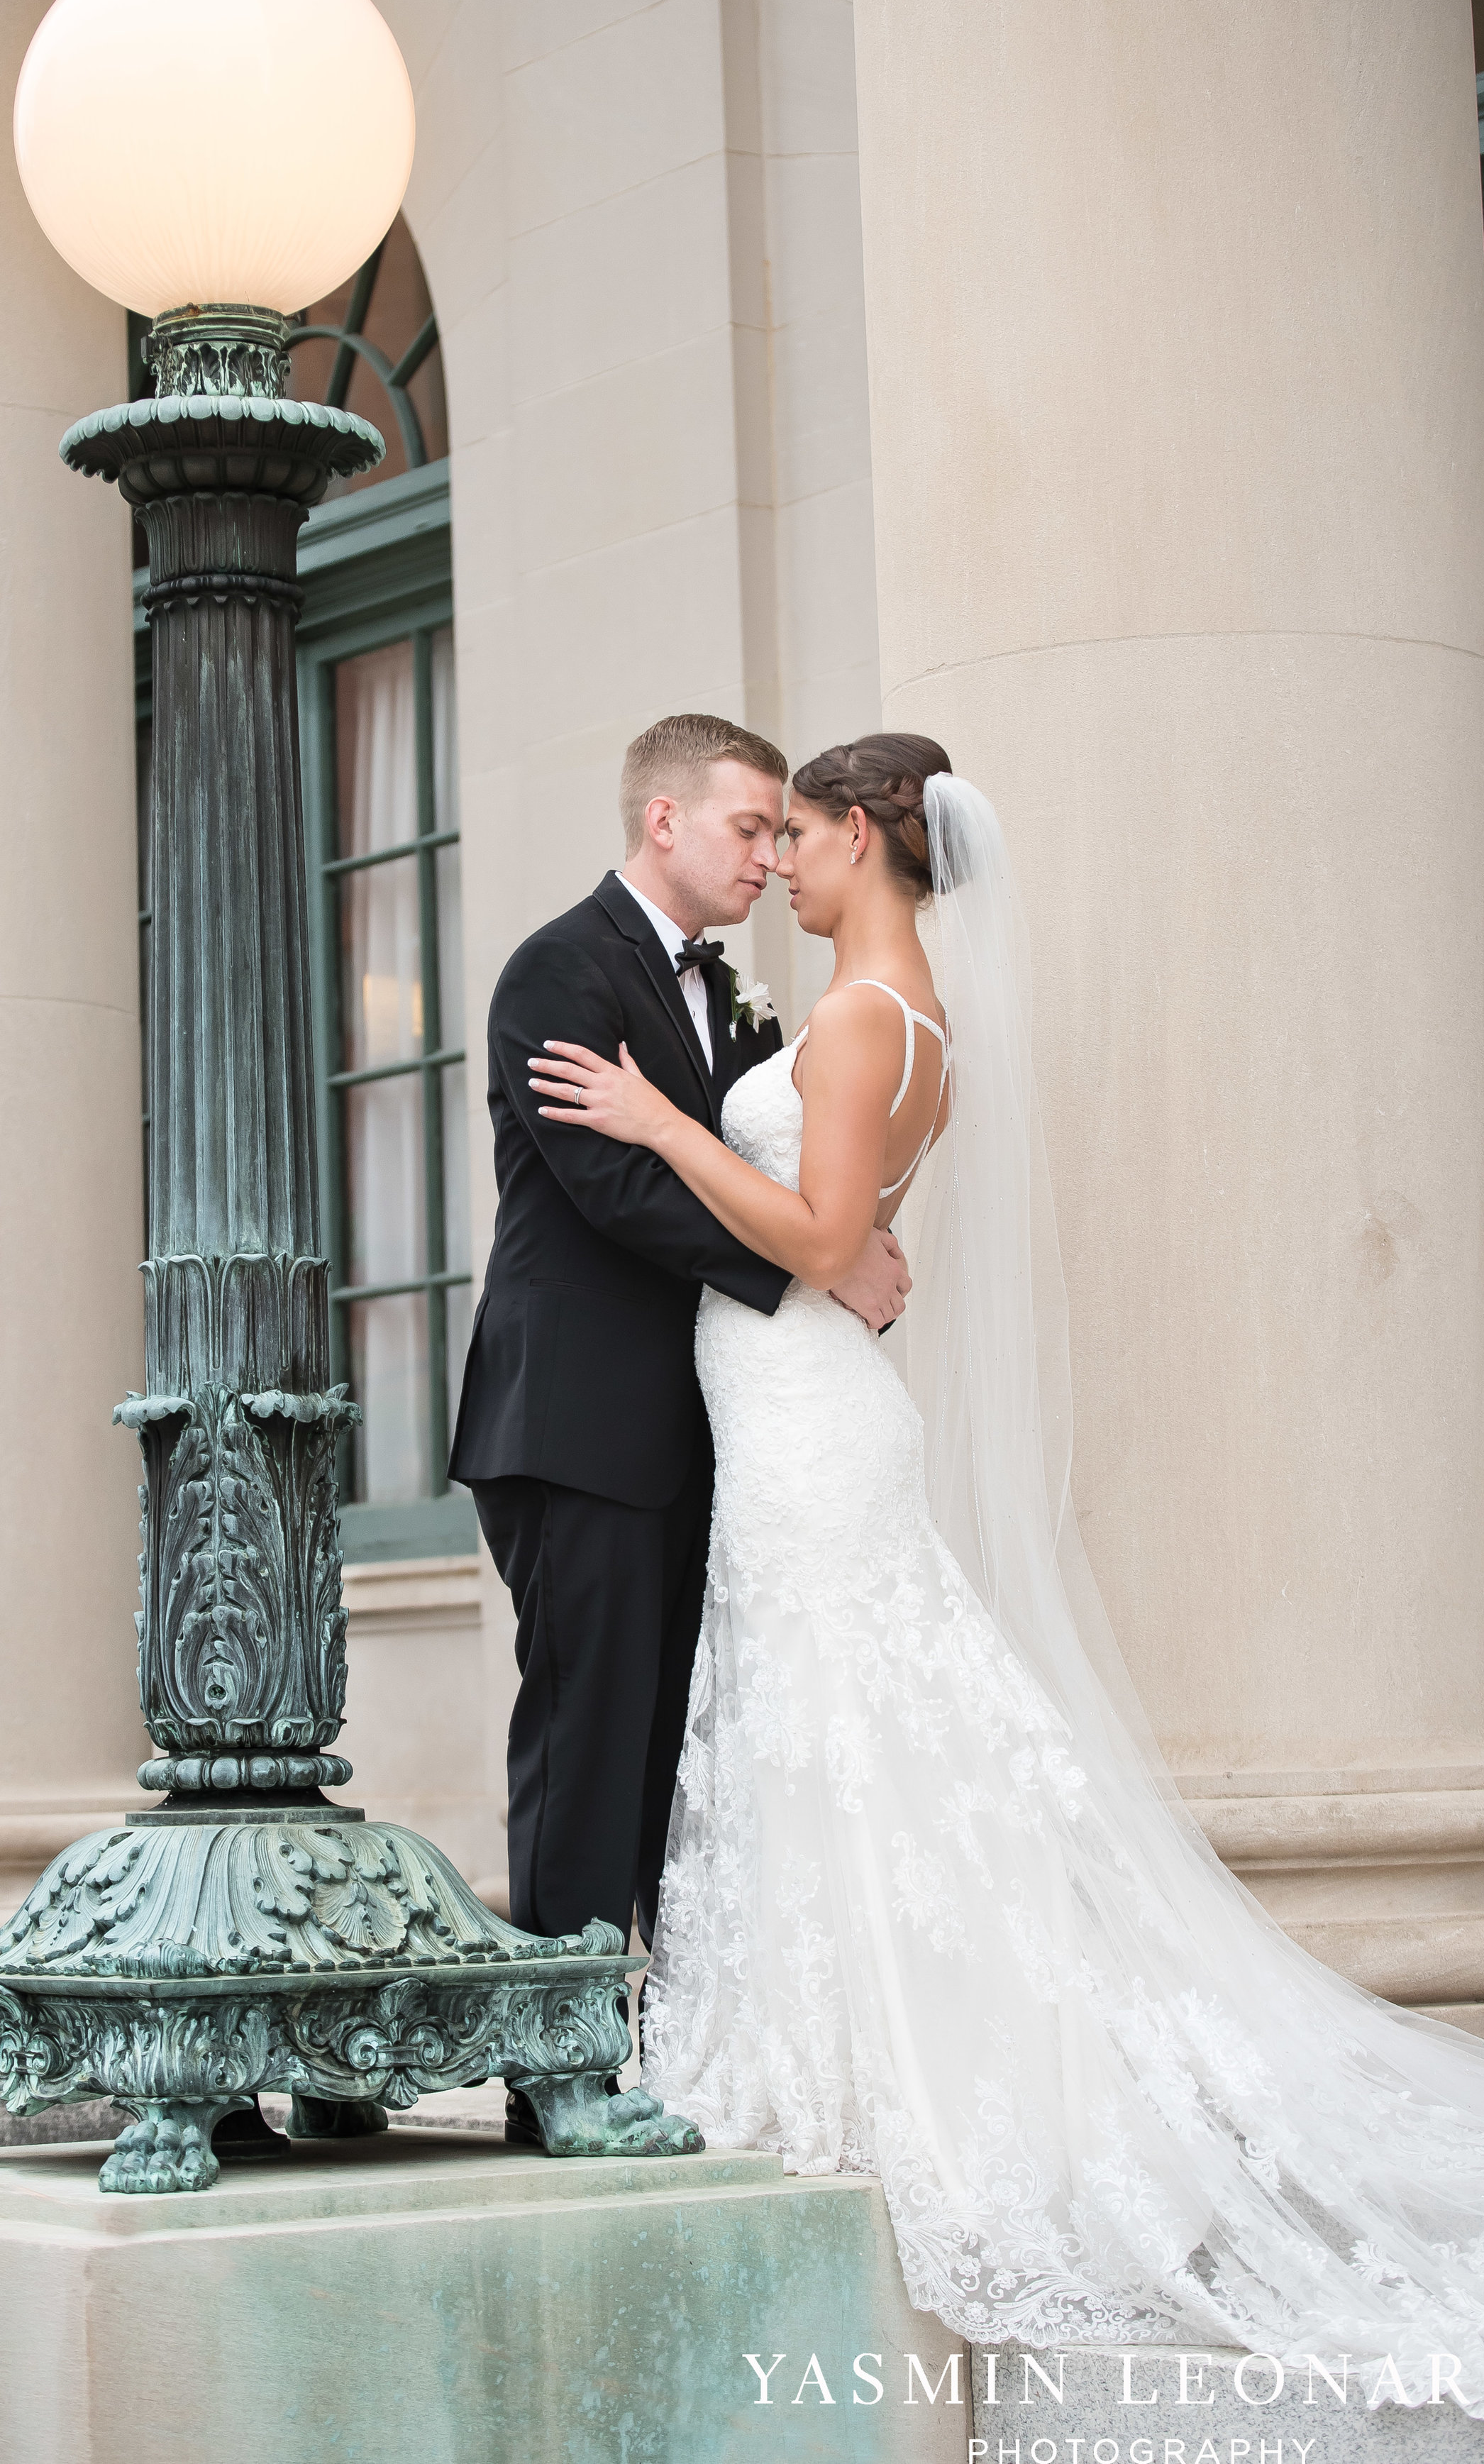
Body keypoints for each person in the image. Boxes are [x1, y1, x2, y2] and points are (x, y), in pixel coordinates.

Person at [526, 733, 1484, 2416]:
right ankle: (837, 2042)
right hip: (794, 1409)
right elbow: (850, 1238)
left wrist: (651, 1118)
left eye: (802, 838)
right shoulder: (905, 1013)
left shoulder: (859, 1016)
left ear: (862, 836)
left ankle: (884, 2076)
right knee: (847, 1732)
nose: (781, 863)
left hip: (803, 1418)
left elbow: (820, 1241)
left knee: (842, 1720)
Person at [448, 712, 911, 2150]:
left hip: (715, 1430)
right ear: (663, 822)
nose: (770, 855)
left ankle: (668, 2047)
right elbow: (611, 1190)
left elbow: (749, 1161)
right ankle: (561, 2068)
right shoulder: (557, 969)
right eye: (748, 828)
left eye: (784, 833)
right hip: (577, 1424)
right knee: (589, 1740)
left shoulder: (733, 997)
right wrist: (809, 1266)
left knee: (677, 1751)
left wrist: (830, 1236)